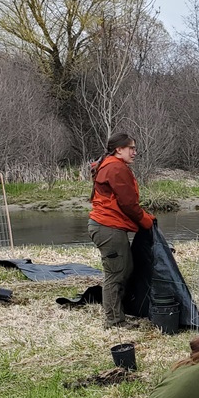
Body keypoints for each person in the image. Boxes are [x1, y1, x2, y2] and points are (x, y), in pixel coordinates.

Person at [88, 132, 155, 328]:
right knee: (116, 274)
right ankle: (114, 321)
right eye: (131, 148)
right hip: (107, 227)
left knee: (122, 269)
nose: (135, 152)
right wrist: (146, 221)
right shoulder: (116, 168)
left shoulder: (110, 165)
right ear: (119, 149)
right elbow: (128, 204)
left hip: (107, 226)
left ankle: (118, 314)